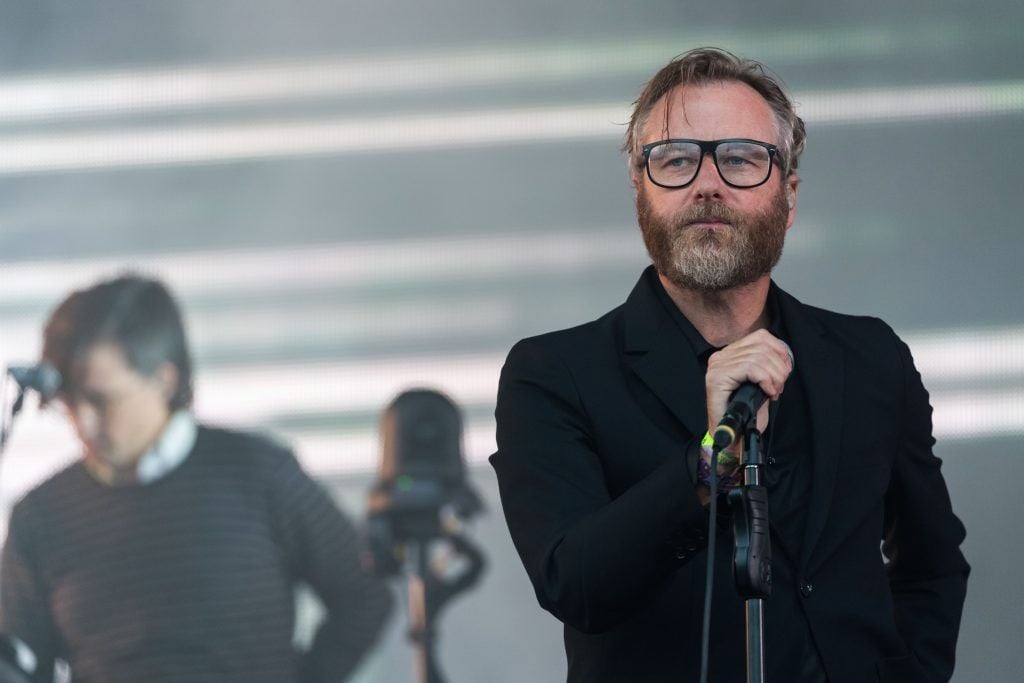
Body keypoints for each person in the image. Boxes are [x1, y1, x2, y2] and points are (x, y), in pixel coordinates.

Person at [490, 48, 969, 683]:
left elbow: (931, 563)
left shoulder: (871, 357)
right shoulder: (552, 374)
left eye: (740, 158)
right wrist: (709, 457)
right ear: (642, 195)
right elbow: (576, 586)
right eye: (676, 160)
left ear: (788, 196)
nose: (708, 183)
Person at [0, 274, 393, 682]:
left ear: (164, 380)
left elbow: (364, 595)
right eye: (68, 402)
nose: (83, 422)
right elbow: (21, 666)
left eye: (100, 400)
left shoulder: (261, 475)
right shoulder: (41, 516)